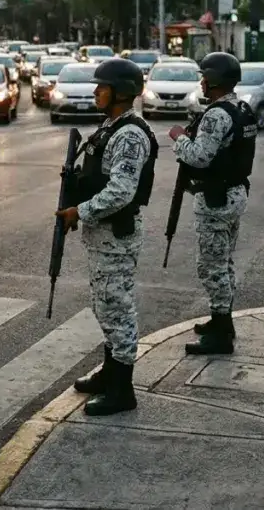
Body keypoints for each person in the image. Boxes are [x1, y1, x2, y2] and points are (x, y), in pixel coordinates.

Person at [56, 58, 158, 417]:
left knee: (118, 309)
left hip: (116, 235)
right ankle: (110, 372)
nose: (96, 91)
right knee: (105, 306)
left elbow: (121, 191)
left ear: (120, 92)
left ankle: (122, 389)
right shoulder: (111, 126)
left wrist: (78, 212)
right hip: (103, 236)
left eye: (102, 86)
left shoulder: (129, 134)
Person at [169, 51, 257, 355]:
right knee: (225, 262)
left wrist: (179, 138)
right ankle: (223, 320)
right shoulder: (241, 108)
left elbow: (199, 156)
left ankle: (220, 334)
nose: (202, 82)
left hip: (217, 199)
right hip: (234, 193)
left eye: (206, 76)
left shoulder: (216, 114)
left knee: (211, 266)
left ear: (216, 80)